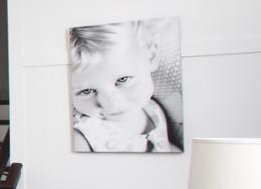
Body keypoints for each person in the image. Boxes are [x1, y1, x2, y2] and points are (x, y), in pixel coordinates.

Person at [68, 20, 182, 153]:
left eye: (123, 80)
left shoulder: (152, 108)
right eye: (86, 91)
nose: (110, 104)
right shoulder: (81, 138)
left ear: (151, 56)